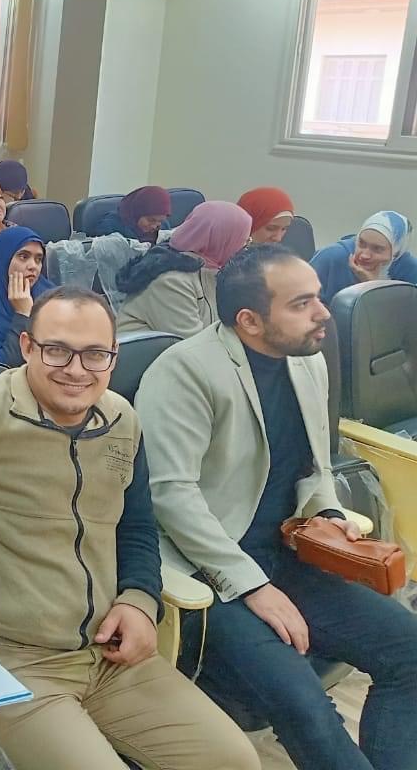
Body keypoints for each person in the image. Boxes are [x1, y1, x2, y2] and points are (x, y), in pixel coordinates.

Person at [0, 286, 260, 770]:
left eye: (95, 354)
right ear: (27, 347)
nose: (76, 369)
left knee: (236, 760)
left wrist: (139, 598)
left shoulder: (121, 420)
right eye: (57, 350)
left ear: (113, 357)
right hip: (5, 659)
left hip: (107, 655)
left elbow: (134, 523)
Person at [137, 242, 417, 770]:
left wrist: (328, 515)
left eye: (318, 297)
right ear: (249, 320)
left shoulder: (306, 361)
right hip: (208, 573)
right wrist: (253, 586)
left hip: (286, 555)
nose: (323, 312)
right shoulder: (183, 372)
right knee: (305, 705)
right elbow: (171, 496)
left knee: (410, 650)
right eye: (301, 303)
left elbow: (316, 466)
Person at [116, 201, 252, 339]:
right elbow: (193, 344)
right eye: (244, 241)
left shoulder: (217, 270)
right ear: (222, 240)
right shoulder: (170, 281)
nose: (245, 248)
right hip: (148, 352)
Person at [0, 225, 54, 366]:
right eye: (23, 256)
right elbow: (1, 366)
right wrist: (23, 314)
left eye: (38, 259)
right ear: (3, 260)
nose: (33, 266)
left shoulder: (52, 296)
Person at [311, 210, 417, 304]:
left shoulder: (409, 269)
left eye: (377, 249)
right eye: (361, 243)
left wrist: (373, 286)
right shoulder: (331, 257)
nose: (364, 255)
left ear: (396, 253)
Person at [99, 186, 171, 243]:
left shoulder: (163, 227)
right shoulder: (111, 226)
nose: (154, 226)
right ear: (138, 213)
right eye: (151, 220)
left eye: (160, 221)